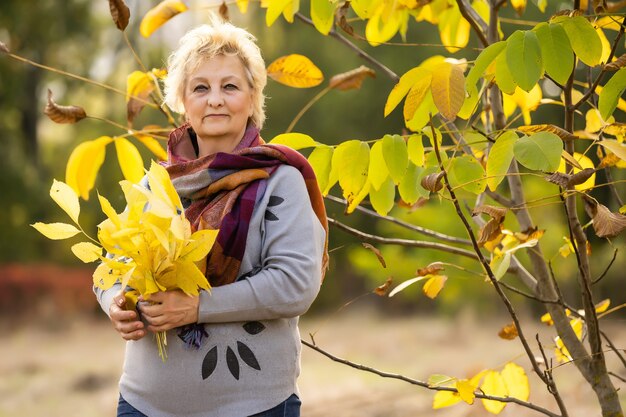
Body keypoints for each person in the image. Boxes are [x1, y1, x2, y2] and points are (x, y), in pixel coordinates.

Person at [94, 17, 328, 417]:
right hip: (144, 404)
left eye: (230, 86)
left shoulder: (279, 181)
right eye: (200, 87)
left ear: (253, 99)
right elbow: (112, 266)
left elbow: (295, 284)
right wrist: (115, 301)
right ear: (183, 101)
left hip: (255, 406)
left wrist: (197, 306)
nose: (215, 99)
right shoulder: (157, 185)